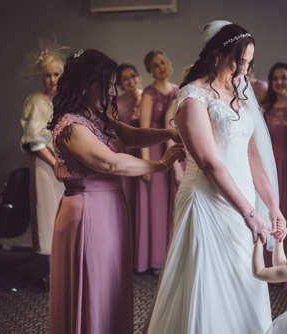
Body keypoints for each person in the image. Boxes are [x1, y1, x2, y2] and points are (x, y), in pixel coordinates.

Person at [145, 20, 286, 334]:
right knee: (207, 283)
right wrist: (249, 213)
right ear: (218, 55)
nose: (243, 70)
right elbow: (209, 162)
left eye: (248, 63)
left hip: (244, 199)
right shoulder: (192, 97)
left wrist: (271, 206)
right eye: (239, 61)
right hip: (207, 200)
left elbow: (253, 156)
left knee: (245, 280)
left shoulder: (240, 92)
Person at [46, 48, 185, 334]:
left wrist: (168, 133)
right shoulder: (71, 125)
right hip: (88, 212)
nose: (112, 91)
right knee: (94, 284)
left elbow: (129, 135)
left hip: (110, 207)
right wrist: (160, 165)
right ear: (86, 84)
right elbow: (108, 163)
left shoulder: (97, 118)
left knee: (112, 283)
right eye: (108, 84)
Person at [19, 36, 68, 268]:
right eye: (47, 75)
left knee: (68, 215)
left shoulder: (68, 100)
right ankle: (51, 273)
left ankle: (68, 267)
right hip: (45, 165)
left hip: (67, 163)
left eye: (55, 74)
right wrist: (54, 163)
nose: (51, 79)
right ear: (42, 77)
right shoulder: (35, 101)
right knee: (48, 215)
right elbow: (33, 140)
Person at [134, 49, 183, 273]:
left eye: (163, 62)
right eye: (155, 65)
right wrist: (145, 164)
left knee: (172, 204)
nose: (161, 67)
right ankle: (154, 260)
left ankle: (172, 257)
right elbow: (144, 131)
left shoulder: (177, 90)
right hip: (154, 151)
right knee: (156, 206)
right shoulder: (148, 94)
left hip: (173, 150)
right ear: (149, 71)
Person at [261, 62, 287, 260]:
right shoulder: (265, 108)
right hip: (267, 165)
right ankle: (268, 263)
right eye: (275, 78)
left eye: (283, 77)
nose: (279, 82)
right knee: (270, 208)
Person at [115, 63, 143, 232]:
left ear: (138, 77)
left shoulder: (148, 96)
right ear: (120, 84)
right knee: (128, 196)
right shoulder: (118, 104)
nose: (130, 81)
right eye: (125, 79)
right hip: (126, 152)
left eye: (133, 76)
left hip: (147, 152)